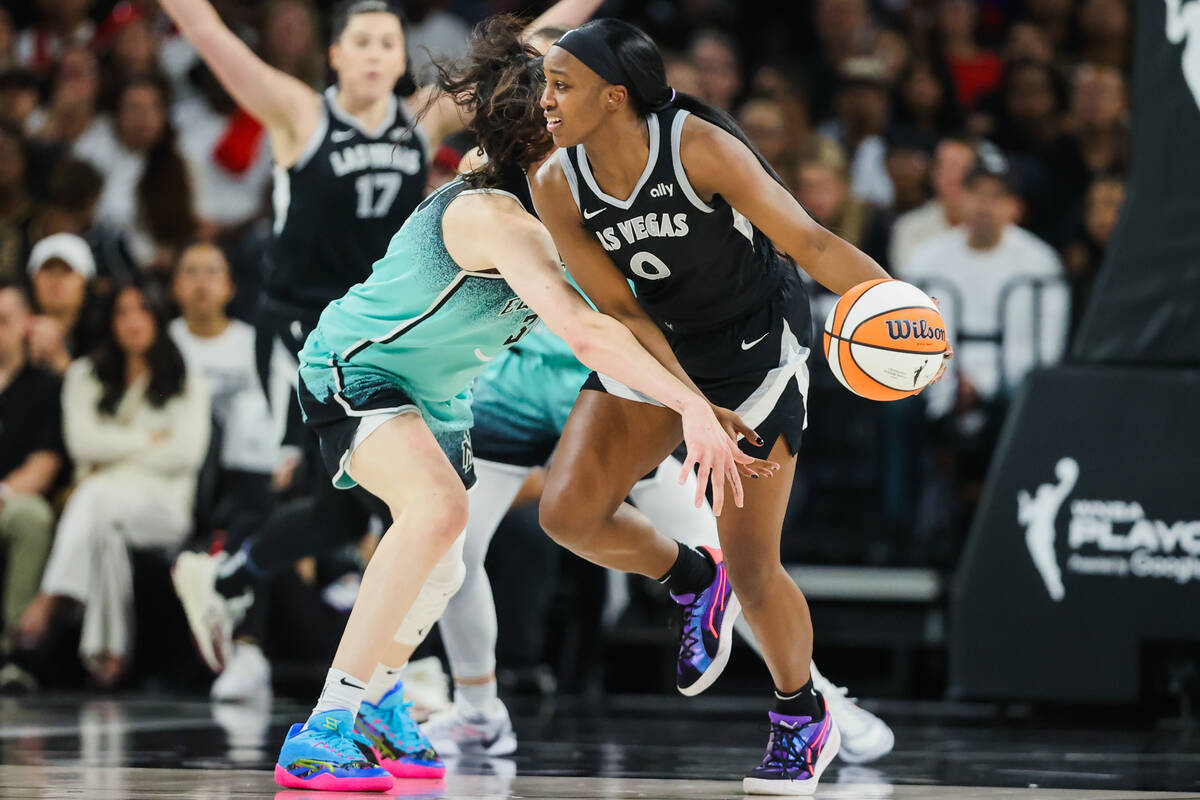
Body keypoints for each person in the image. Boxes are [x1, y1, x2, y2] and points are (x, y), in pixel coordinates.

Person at [271, 15, 760, 792]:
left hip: (436, 390)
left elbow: (528, 76)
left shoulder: (549, 192)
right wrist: (691, 406)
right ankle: (325, 725)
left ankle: (383, 695)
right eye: (561, 106)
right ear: (543, 135)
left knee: (448, 549)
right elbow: (588, 334)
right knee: (435, 513)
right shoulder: (498, 217)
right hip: (355, 366)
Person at [529, 19, 942, 794]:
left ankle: (801, 716)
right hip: (659, 344)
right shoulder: (555, 181)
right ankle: (689, 577)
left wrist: (896, 307)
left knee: (755, 566)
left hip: (756, 350)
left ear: (614, 97)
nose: (544, 100)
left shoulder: (695, 145)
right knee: (568, 513)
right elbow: (617, 307)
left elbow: (812, 243)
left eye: (561, 85)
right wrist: (686, 402)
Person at [159, 0, 603, 695]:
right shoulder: (299, 112)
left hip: (400, 329)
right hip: (314, 330)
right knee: (386, 501)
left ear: (402, 59)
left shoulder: (417, 118)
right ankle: (374, 673)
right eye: (359, 41)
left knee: (361, 507)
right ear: (333, 55)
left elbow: (516, 61)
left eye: (386, 43)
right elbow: (210, 33)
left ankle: (240, 581)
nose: (372, 53)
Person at [17, 280, 210, 688]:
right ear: (109, 321)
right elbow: (82, 442)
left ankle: (50, 599)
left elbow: (185, 454)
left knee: (95, 494)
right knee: (104, 528)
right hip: (104, 506)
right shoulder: (84, 375)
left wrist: (110, 455)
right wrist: (148, 442)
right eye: (122, 312)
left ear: (158, 317)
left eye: (142, 310)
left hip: (165, 507)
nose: (132, 321)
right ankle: (107, 658)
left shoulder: (186, 379)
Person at [0, 282, 64, 690]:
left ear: (26, 324)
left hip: (11, 501)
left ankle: (13, 651)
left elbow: (43, 465)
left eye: (3, 321)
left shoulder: (43, 385)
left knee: (32, 515)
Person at [26, 233, 96, 376]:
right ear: (34, 279)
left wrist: (62, 362)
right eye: (47, 270)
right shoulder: (14, 331)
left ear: (85, 281)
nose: (56, 281)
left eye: (66, 271)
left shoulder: (105, 335)